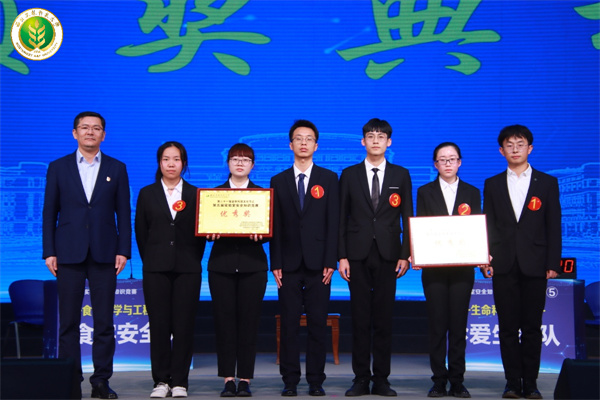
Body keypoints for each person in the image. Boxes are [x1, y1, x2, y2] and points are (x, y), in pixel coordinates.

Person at [42, 111, 131, 399]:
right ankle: (70, 380)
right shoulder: (58, 167)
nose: (90, 132)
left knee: (104, 321)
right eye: (84, 127)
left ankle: (101, 381)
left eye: (96, 128)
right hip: (68, 253)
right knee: (68, 322)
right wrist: (49, 251)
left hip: (105, 253)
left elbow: (123, 213)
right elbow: (49, 212)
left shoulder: (117, 168)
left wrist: (124, 250)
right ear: (75, 133)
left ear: (104, 134)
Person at [481, 125, 561, 399]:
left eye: (520, 144)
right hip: (502, 264)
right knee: (507, 327)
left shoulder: (547, 183)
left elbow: (553, 225)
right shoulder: (492, 184)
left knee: (531, 327)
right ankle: (512, 383)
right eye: (509, 145)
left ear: (530, 148)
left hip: (536, 264)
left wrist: (553, 262)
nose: (515, 149)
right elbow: (488, 225)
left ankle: (531, 383)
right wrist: (484, 257)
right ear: (501, 150)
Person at [338, 118, 413, 397]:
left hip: (389, 254)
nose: (376, 140)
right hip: (356, 255)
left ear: (389, 142)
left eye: (381, 137)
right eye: (371, 136)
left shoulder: (401, 174)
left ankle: (381, 379)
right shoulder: (349, 174)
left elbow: (407, 216)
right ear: (363, 141)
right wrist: (342, 256)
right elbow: (341, 218)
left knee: (383, 319)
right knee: (359, 319)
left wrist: (405, 254)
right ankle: (360, 378)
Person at [270, 120, 339, 397]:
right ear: (290, 145)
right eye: (298, 138)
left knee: (317, 324)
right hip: (287, 265)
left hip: (319, 264)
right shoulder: (278, 180)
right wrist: (275, 263)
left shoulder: (329, 178)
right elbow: (274, 226)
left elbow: (333, 223)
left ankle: (315, 380)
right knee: (288, 325)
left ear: (316, 146)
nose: (303, 143)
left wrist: (331, 261)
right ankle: (289, 380)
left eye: (309, 139)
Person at [135, 141, 206, 398]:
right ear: (159, 163)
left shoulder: (196, 194)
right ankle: (161, 381)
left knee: (184, 325)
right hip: (156, 269)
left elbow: (200, 236)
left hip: (188, 269)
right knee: (159, 325)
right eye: (166, 159)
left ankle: (180, 382)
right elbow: (141, 233)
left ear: (183, 163)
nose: (171, 164)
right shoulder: (147, 193)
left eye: (176, 159)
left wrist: (188, 259)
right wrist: (153, 259)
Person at [413, 142, 481, 398]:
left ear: (460, 162)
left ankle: (457, 380)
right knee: (437, 326)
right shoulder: (425, 191)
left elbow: (477, 228)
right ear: (436, 164)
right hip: (434, 270)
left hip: (463, 269)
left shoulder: (472, 192)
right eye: (443, 159)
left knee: (458, 326)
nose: (448, 163)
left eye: (452, 159)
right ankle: (439, 380)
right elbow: (421, 226)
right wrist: (417, 252)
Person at [206, 143, 268, 398]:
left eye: (245, 159)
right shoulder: (213, 195)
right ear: (228, 163)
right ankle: (228, 379)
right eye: (235, 159)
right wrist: (208, 232)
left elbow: (272, 230)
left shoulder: (262, 195)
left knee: (249, 323)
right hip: (221, 266)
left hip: (253, 266)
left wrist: (263, 234)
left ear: (252, 165)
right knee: (224, 323)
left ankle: (245, 378)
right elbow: (204, 227)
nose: (240, 163)